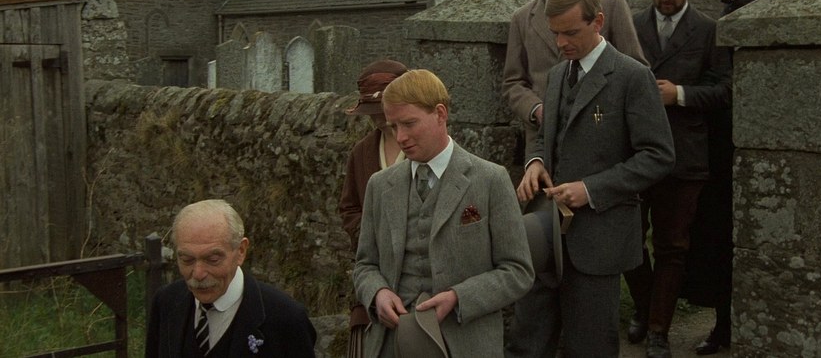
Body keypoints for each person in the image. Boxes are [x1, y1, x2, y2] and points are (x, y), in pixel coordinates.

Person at [501, 0, 648, 358]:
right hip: (545, 165)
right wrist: (538, 120)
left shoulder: (611, 5)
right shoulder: (523, 19)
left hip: (600, 166)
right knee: (535, 303)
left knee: (590, 313)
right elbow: (513, 82)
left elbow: (633, 77)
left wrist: (594, 182)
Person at [516, 0, 675, 357]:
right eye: (555, 33)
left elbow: (659, 156)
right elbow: (547, 136)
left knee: (590, 346)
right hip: (545, 232)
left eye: (571, 32)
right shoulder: (558, 74)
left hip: (599, 241)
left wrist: (590, 189)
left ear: (598, 22)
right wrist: (535, 163)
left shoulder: (632, 76)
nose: (561, 43)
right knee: (527, 342)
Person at [353, 69, 534, 358]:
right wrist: (377, 293)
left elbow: (518, 271)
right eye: (393, 126)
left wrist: (458, 297)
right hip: (392, 344)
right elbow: (365, 265)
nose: (400, 137)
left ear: (440, 114)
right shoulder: (380, 185)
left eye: (409, 124)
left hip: (465, 345)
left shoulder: (490, 180)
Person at [625, 0, 733, 358]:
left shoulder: (708, 31)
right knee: (629, 240)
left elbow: (725, 90)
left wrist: (680, 94)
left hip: (684, 156)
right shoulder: (631, 25)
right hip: (635, 151)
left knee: (672, 247)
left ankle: (658, 330)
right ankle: (643, 306)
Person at [682, 0, 773, 355]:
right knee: (718, 248)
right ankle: (722, 326)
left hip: (756, 168)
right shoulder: (719, 49)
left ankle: (749, 326)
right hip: (718, 165)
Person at [145, 199, 317, 358]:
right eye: (187, 260)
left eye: (213, 259)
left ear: (241, 251)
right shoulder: (166, 301)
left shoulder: (286, 319)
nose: (198, 273)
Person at [339, 59, 408, 357]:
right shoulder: (362, 152)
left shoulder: (422, 148)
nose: (379, 119)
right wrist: (369, 234)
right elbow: (349, 207)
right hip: (373, 276)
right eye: (373, 113)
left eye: (382, 110)